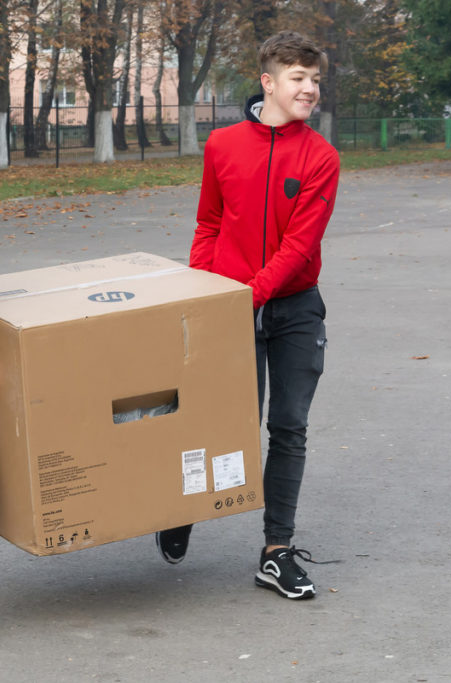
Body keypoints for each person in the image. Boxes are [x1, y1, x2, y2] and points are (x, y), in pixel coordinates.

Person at [155, 31, 340, 600]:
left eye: (314, 80)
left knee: (288, 427)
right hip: (230, 304)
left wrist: (248, 296)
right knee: (216, 422)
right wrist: (202, 293)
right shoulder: (223, 145)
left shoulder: (321, 157)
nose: (309, 89)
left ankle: (275, 552)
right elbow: (209, 224)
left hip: (293, 311)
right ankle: (182, 507)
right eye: (298, 78)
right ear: (268, 82)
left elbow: (299, 248)